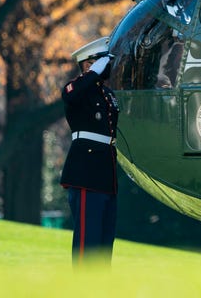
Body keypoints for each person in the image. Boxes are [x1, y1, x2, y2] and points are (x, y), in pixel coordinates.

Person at [60, 36, 120, 265]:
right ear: (89, 64)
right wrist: (92, 74)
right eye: (103, 61)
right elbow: (69, 94)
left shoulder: (107, 95)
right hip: (86, 173)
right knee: (88, 242)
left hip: (106, 174)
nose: (108, 66)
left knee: (104, 245)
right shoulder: (78, 89)